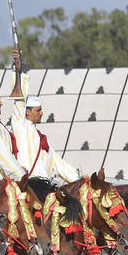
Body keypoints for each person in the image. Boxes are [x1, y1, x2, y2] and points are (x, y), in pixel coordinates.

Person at [8, 51, 79, 182]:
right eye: (38, 110)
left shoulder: (39, 136)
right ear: (27, 112)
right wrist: (18, 72)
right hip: (26, 186)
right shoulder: (19, 126)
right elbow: (19, 101)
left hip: (43, 186)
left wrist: (78, 180)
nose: (42, 113)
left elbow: (57, 162)